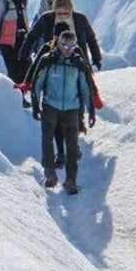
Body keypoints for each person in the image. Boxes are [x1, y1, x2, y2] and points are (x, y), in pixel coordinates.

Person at [30, 31, 95, 194]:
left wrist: (90, 110)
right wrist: (35, 105)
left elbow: (86, 88)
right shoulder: (48, 61)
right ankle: (50, 172)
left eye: (72, 46)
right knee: (47, 138)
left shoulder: (78, 63)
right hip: (50, 105)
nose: (68, 49)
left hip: (71, 109)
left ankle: (71, 180)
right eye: (65, 45)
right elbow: (37, 84)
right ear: (58, 43)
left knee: (72, 145)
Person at [19, 0, 102, 71]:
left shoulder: (80, 19)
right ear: (54, 10)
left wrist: (96, 58)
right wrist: (24, 56)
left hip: (78, 60)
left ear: (71, 10)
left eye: (66, 13)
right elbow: (32, 36)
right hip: (52, 60)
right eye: (59, 14)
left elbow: (91, 39)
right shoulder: (46, 18)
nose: (62, 16)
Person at [0, 0, 32, 105]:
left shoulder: (22, 2)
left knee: (26, 68)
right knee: (14, 70)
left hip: (22, 39)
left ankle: (17, 95)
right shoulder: (3, 0)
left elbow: (25, 21)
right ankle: (17, 99)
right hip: (7, 41)